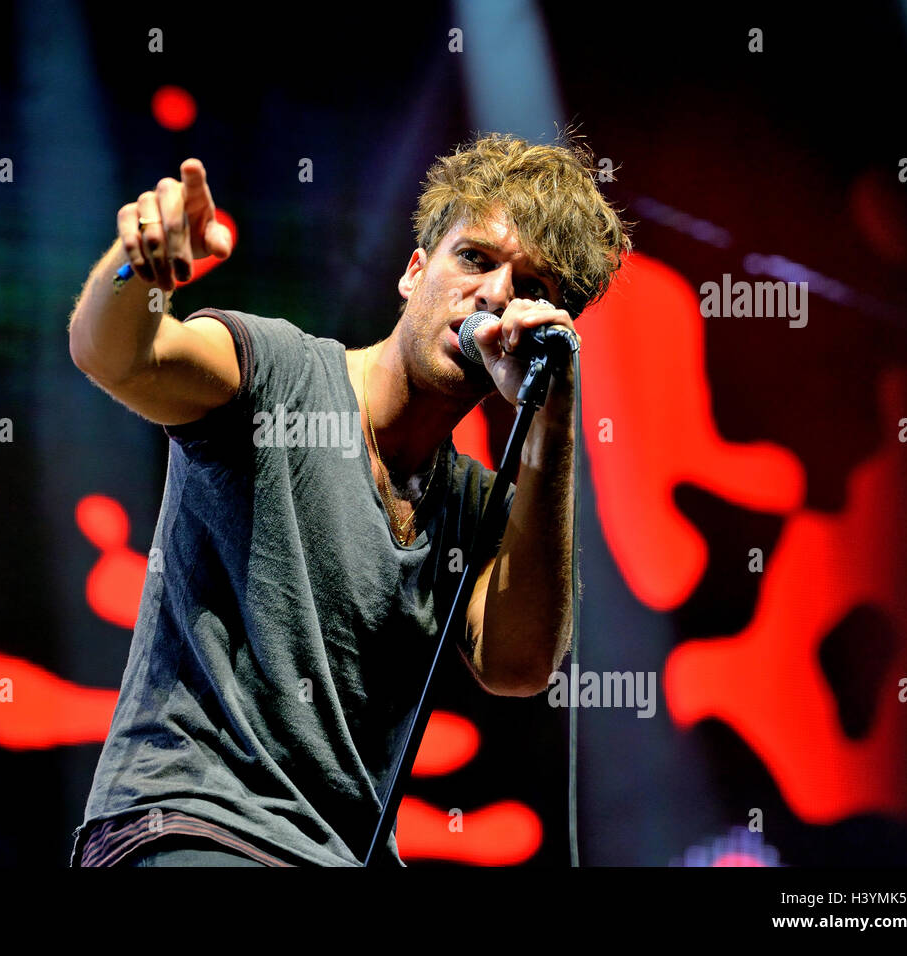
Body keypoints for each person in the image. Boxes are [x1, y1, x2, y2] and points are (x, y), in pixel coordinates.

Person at [66, 132, 630, 867]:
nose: (495, 295)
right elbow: (115, 356)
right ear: (413, 271)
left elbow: (519, 667)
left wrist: (553, 418)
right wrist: (136, 269)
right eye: (476, 260)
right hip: (191, 827)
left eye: (531, 289)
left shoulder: (475, 506)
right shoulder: (279, 375)